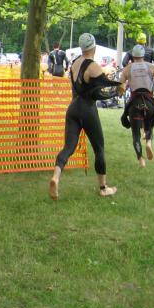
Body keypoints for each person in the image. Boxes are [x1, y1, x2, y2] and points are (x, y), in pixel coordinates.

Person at [49, 33, 123, 201]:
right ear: (94, 47)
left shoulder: (75, 63)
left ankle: (56, 177)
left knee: (68, 147)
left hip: (73, 108)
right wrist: (118, 89)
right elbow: (102, 92)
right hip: (87, 109)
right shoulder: (93, 66)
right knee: (99, 149)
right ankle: (103, 188)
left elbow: (76, 89)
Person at [120, 45, 154, 168]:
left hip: (135, 101)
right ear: (143, 55)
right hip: (148, 100)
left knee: (136, 135)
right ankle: (149, 142)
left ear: (132, 56)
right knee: (149, 126)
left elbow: (120, 86)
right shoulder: (151, 67)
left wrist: (120, 91)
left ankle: (141, 159)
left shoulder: (128, 68)